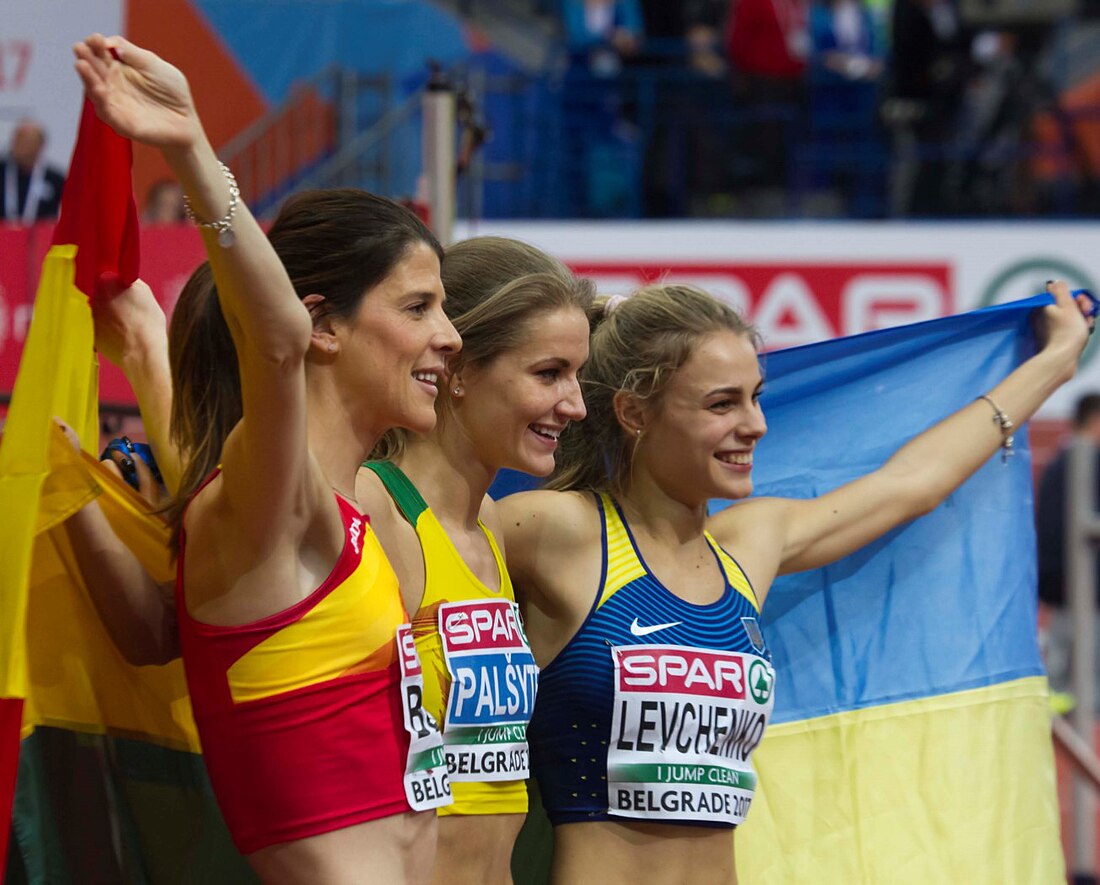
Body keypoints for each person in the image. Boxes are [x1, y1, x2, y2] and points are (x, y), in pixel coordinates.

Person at [500, 280, 1092, 883]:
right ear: (633, 413)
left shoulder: (746, 550)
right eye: (721, 404)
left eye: (755, 398)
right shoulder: (558, 531)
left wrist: (1055, 362)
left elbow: (912, 483)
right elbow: (427, 520)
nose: (756, 425)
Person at [65, 237, 593, 883]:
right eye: (548, 373)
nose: (575, 403)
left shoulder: (489, 525)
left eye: (576, 374)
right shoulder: (365, 501)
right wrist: (147, 353)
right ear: (458, 366)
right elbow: (226, 535)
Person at [73, 33, 459, 883]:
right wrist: (190, 147)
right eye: (421, 306)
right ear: (325, 326)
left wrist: (145, 352)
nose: (449, 335)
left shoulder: (312, 505)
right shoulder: (276, 509)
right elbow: (274, 343)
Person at [1036, 392, 1100, 709]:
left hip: (1066, 582)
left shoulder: (1063, 461)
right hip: (1076, 584)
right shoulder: (1081, 462)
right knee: (1076, 658)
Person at [0, 119, 66, 222]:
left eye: (27, 142)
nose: (21, 147)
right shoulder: (3, 171)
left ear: (40, 145)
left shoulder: (55, 180)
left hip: (40, 236)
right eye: (18, 141)